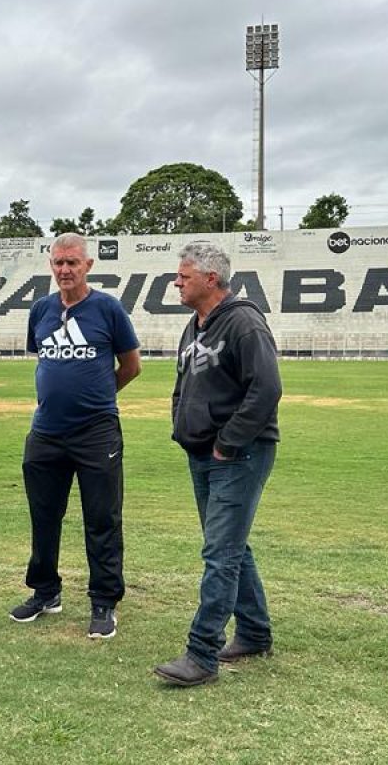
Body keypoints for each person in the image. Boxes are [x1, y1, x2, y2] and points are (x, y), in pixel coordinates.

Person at [154, 242, 282, 687]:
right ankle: (254, 632)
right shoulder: (195, 325)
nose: (176, 282)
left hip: (238, 454)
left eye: (183, 276)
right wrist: (181, 425)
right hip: (202, 452)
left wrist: (228, 443)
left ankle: (202, 654)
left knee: (220, 553)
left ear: (211, 279)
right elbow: (182, 384)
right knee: (229, 545)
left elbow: (266, 390)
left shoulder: (245, 323)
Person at [10, 233, 141, 639]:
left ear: (88, 265)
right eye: (58, 263)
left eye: (72, 262)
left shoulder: (107, 309)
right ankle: (45, 592)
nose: (64, 270)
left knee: (102, 518)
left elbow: (131, 366)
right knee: (44, 517)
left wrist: (98, 398)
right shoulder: (41, 310)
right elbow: (46, 360)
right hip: (46, 431)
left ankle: (104, 601)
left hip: (96, 432)